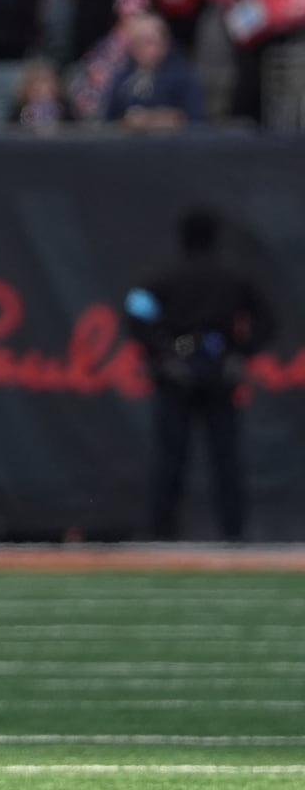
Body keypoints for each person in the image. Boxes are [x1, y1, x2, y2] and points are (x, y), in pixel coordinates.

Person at [122, 208, 275, 541]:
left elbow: (133, 311)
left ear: (182, 238)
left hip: (177, 371)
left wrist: (161, 353)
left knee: (170, 460)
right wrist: (239, 353)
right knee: (226, 460)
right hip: (219, 370)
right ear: (215, 238)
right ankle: (233, 536)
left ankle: (162, 536)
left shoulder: (164, 277)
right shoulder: (233, 279)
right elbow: (266, 321)